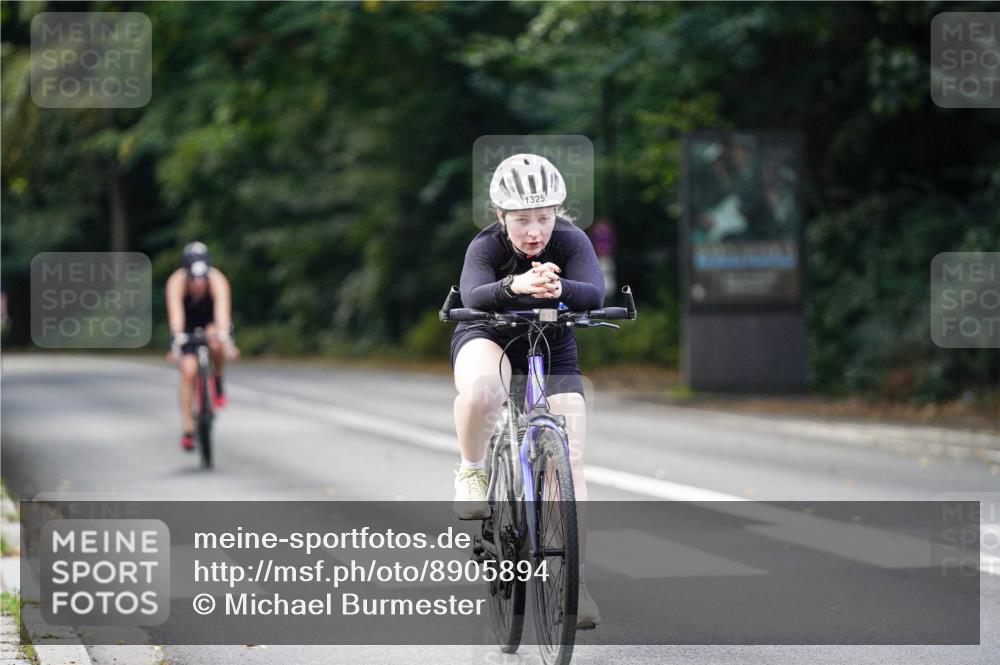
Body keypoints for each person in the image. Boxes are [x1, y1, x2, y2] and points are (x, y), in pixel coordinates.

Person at [450, 153, 603, 628]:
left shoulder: (571, 240)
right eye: (522, 221)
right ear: (501, 216)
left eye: (544, 218)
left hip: (551, 342)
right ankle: (472, 469)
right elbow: (473, 295)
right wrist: (516, 285)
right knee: (484, 392)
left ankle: (575, 581)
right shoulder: (486, 246)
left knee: (570, 457)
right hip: (488, 335)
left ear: (557, 213)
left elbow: (595, 292)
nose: (535, 231)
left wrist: (559, 290)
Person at [165, 242, 239, 451]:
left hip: (210, 321)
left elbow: (222, 313)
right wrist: (176, 342)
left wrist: (226, 341)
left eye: (202, 279)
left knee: (215, 342)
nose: (198, 284)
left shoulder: (217, 280)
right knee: (188, 371)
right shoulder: (176, 282)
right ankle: (188, 429)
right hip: (187, 324)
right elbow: (176, 315)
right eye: (194, 280)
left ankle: (218, 379)